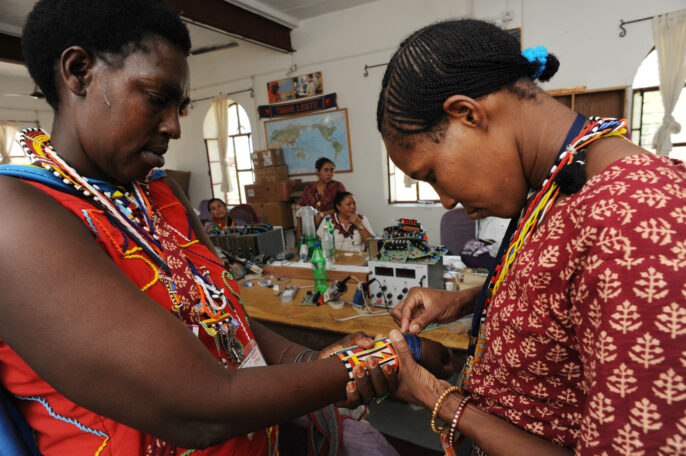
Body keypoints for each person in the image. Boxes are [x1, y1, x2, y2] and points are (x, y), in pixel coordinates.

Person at [0, 1, 454, 454]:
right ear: (78, 71)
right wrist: (381, 360)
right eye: (158, 98)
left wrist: (308, 358)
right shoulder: (18, 215)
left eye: (181, 106)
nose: (174, 127)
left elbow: (226, 320)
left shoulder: (159, 194)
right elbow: (198, 409)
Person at [377, 19, 686, 456]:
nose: (444, 200)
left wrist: (438, 399)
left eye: (431, 175)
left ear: (468, 114)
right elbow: (570, 289)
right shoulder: (562, 181)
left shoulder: (637, 219)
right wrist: (466, 299)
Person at [297, 157, 346, 237]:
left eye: (331, 170)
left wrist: (322, 214)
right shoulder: (309, 188)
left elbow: (344, 208)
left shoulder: (338, 186)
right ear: (317, 171)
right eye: (326, 170)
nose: (329, 173)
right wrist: (299, 232)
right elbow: (301, 210)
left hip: (331, 227)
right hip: (310, 229)